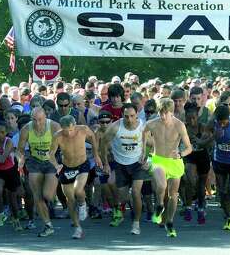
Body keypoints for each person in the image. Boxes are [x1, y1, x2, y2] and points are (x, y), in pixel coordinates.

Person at [142, 98, 192, 237]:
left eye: (166, 113)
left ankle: (169, 222)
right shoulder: (151, 123)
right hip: (158, 160)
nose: (163, 116)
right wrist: (144, 154)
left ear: (172, 112)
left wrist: (181, 153)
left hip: (174, 161)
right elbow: (143, 135)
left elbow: (189, 148)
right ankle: (159, 205)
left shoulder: (179, 125)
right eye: (160, 113)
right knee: (161, 186)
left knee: (173, 195)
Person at [49, 115, 102, 239]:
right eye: (66, 130)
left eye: (71, 129)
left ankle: (83, 204)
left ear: (75, 125)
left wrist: (96, 155)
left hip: (82, 164)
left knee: (78, 190)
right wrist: (56, 165)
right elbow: (51, 154)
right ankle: (78, 228)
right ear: (62, 128)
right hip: (66, 167)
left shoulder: (83, 129)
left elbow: (93, 137)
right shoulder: (58, 136)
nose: (69, 132)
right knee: (70, 200)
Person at [101, 103, 149, 235]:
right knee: (124, 196)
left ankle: (136, 223)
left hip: (137, 164)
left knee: (135, 192)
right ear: (122, 115)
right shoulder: (115, 127)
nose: (130, 119)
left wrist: (148, 158)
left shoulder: (142, 126)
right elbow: (103, 143)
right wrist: (105, 163)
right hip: (120, 164)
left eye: (132, 116)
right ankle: (134, 206)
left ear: (137, 115)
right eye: (126, 116)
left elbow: (152, 143)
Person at [18, 107, 61, 237]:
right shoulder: (26, 129)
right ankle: (48, 225)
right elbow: (20, 149)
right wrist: (21, 159)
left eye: (40, 120)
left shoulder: (54, 126)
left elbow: (65, 143)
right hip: (35, 161)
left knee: (47, 195)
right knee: (37, 196)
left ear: (45, 117)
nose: (37, 123)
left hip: (51, 162)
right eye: (34, 120)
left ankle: (52, 197)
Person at [0, 121, 22, 231]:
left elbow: (3, 159)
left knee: (12, 199)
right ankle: (1, 213)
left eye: (2, 132)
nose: (0, 135)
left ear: (6, 132)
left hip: (10, 171)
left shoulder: (9, 142)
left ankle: (16, 220)